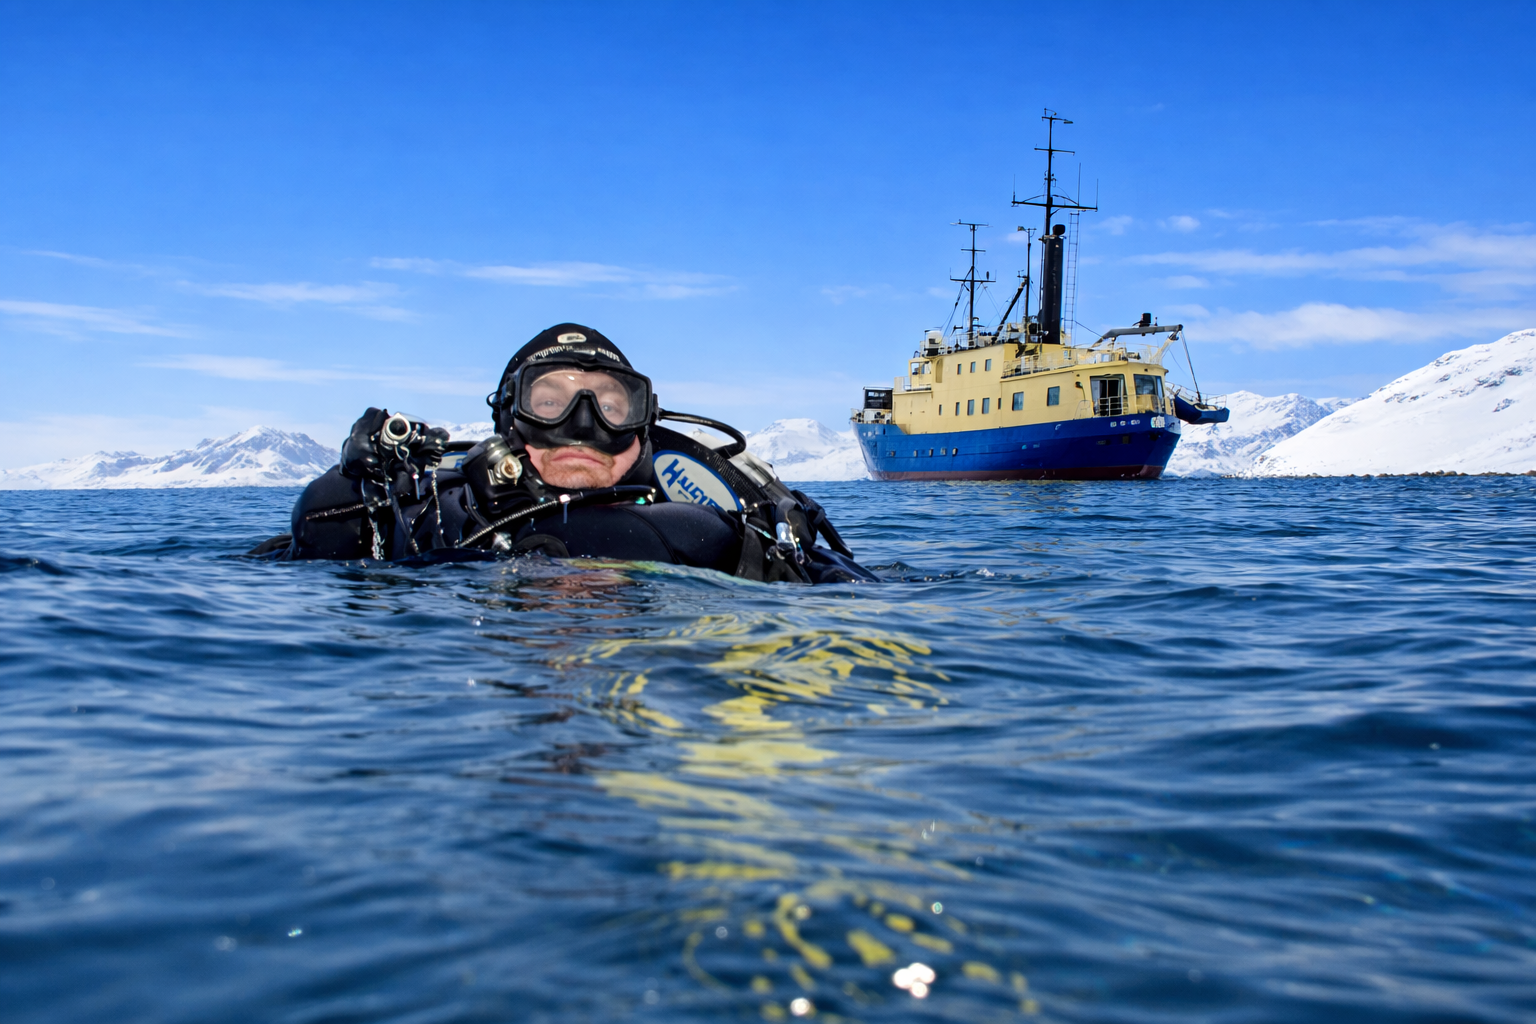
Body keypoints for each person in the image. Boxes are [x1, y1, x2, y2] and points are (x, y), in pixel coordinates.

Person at [264, 323, 876, 583]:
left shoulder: (711, 518)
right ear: (507, 417)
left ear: (644, 426)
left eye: (611, 404)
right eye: (549, 400)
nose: (582, 426)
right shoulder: (434, 511)